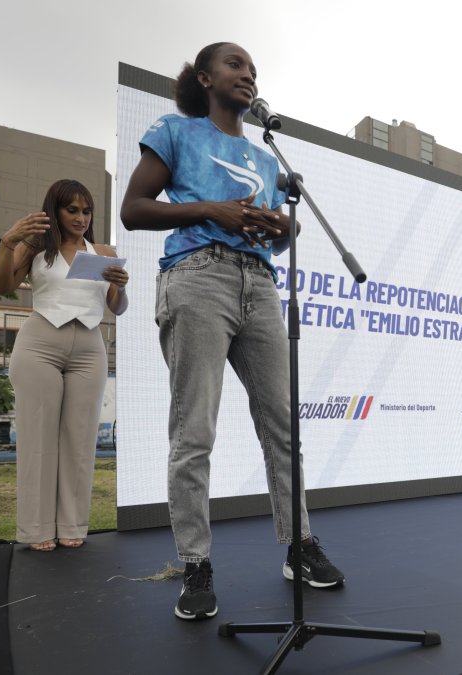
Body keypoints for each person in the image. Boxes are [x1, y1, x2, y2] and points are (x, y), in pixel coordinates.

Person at [120, 42, 344, 620]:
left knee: (283, 423)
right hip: (197, 278)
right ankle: (195, 565)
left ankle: (299, 545)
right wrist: (208, 210)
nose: (248, 75)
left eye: (253, 70)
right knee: (194, 431)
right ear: (205, 77)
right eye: (236, 66)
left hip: (259, 284)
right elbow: (134, 208)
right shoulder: (175, 130)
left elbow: (279, 234)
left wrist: (279, 227)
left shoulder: (268, 159)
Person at [0, 179, 129, 552]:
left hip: (89, 346)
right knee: (37, 439)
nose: (81, 217)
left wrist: (122, 285)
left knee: (80, 440)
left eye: (87, 211)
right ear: (55, 210)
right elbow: (1, 285)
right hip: (40, 343)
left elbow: (117, 306)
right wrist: (7, 243)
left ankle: (72, 524)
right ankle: (37, 529)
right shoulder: (36, 247)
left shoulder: (102, 252)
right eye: (73, 210)